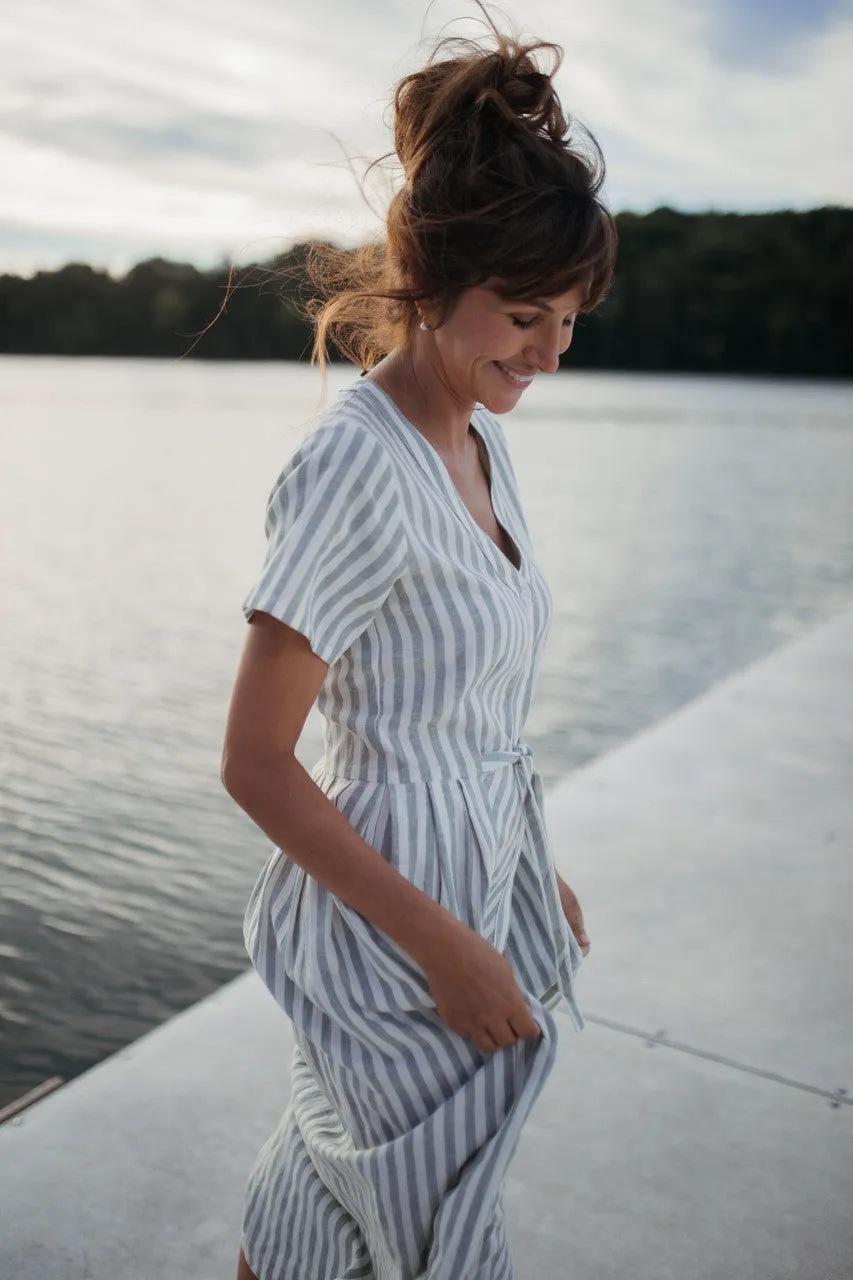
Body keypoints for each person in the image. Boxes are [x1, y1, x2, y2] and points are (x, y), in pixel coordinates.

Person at [222, 12, 617, 1280]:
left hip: (476, 867)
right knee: (437, 1228)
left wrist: (518, 862)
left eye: (567, 319)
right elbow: (257, 762)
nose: (548, 354)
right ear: (434, 286)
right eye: (522, 315)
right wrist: (441, 940)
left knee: (340, 1206)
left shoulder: (484, 440)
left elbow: (473, 701)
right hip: (392, 916)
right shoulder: (355, 467)